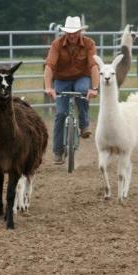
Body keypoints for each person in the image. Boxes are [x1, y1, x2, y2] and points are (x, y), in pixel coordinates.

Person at [44, 16, 99, 165]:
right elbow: (49, 66)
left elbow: (94, 66)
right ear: (65, 32)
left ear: (80, 31)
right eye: (69, 32)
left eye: (75, 32)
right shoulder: (57, 44)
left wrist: (94, 88)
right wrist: (49, 87)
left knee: (82, 91)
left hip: (82, 77)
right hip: (61, 79)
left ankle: (84, 123)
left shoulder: (89, 43)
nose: (72, 35)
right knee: (61, 113)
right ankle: (57, 151)